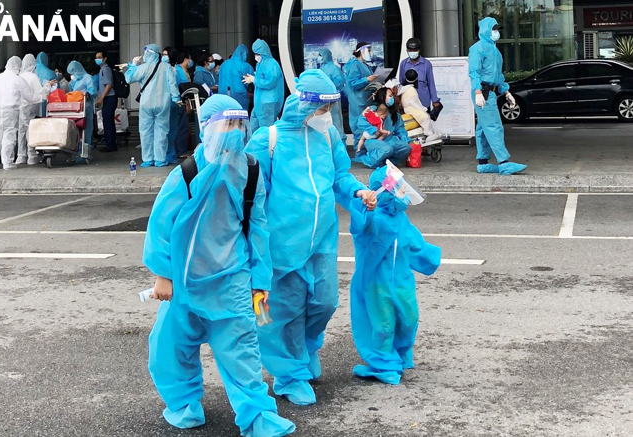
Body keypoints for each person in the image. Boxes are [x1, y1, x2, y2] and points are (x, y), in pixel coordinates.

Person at [144, 94, 296, 437]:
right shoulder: (186, 173)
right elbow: (160, 226)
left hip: (231, 282)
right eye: (227, 123)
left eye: (240, 124)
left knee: (241, 351)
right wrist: (162, 275)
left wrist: (260, 280)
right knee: (170, 348)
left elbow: (257, 228)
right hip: (185, 283)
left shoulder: (250, 171)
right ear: (206, 128)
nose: (235, 132)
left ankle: (258, 415)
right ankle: (183, 404)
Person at [245, 69, 377, 406]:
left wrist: (359, 191)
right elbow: (252, 197)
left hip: (321, 241)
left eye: (331, 109)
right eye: (322, 109)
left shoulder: (329, 135)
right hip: (281, 246)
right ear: (304, 105)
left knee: (324, 301)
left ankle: (304, 349)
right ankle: (289, 375)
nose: (327, 116)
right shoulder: (267, 140)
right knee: (283, 311)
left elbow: (340, 176)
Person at [348, 166, 441, 385]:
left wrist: (431, 257)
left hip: (402, 282)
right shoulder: (376, 219)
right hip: (376, 284)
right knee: (384, 325)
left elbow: (415, 244)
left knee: (409, 319)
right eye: (397, 189)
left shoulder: (401, 219)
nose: (402, 193)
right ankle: (383, 363)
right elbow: (362, 227)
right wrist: (368, 210)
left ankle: (399, 353)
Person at [469, 17, 527, 175]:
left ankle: (483, 162)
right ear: (486, 30)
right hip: (484, 92)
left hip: (491, 92)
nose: (496, 32)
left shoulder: (495, 51)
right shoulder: (478, 48)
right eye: (493, 29)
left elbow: (498, 75)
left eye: (497, 29)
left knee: (483, 128)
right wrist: (477, 91)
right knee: (494, 127)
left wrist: (506, 91)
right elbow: (474, 72)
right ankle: (504, 162)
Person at [125, 43, 181, 167]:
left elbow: (128, 79)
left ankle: (148, 159)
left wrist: (133, 64)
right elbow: (172, 84)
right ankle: (160, 159)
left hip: (146, 104)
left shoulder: (142, 68)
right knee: (162, 131)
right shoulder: (166, 67)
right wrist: (176, 98)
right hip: (163, 104)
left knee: (145, 131)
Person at [0, 56, 42, 170]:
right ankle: (8, 162)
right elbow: (31, 97)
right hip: (11, 111)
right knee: (9, 136)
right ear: (18, 67)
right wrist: (44, 93)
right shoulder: (18, 80)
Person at [354, 87, 411, 168]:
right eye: (390, 96)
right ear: (382, 97)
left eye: (392, 96)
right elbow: (361, 122)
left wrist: (406, 141)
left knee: (406, 148)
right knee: (387, 149)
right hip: (373, 140)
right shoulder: (373, 110)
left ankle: (389, 163)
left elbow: (400, 130)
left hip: (388, 139)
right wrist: (374, 130)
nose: (392, 98)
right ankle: (369, 160)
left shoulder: (394, 114)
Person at [18, 54, 54, 165]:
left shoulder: (20, 76)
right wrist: (48, 85)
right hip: (30, 107)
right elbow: (40, 93)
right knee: (31, 131)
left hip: (19, 107)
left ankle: (21, 156)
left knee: (21, 132)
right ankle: (32, 156)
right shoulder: (33, 77)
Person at [243, 39, 284, 131]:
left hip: (268, 103)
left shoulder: (271, 64)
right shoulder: (261, 64)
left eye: (257, 54)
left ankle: (267, 146)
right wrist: (254, 78)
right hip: (260, 103)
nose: (255, 56)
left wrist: (254, 80)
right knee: (253, 128)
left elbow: (270, 82)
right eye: (255, 54)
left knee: (267, 132)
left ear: (263, 52)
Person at [399, 69, 443, 145]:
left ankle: (431, 133)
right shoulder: (411, 90)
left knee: (425, 115)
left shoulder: (403, 88)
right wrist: (424, 109)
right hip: (411, 109)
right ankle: (428, 135)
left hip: (408, 109)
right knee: (425, 116)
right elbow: (416, 104)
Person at [344, 42, 378, 139]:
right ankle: (359, 152)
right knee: (360, 129)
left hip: (367, 101)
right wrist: (366, 80)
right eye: (368, 51)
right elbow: (352, 84)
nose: (370, 53)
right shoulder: (355, 65)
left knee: (369, 131)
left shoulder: (365, 65)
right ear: (361, 51)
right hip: (358, 103)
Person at [398, 38, 441, 111]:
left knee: (425, 120)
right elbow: (401, 83)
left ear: (419, 50)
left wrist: (435, 100)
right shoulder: (404, 64)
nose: (412, 52)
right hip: (408, 103)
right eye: (410, 50)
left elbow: (431, 83)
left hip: (423, 102)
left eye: (414, 50)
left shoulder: (426, 64)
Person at [67, 61, 98, 155]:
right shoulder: (75, 81)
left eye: (72, 73)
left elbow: (93, 91)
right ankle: (76, 151)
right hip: (75, 109)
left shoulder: (88, 78)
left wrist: (87, 94)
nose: (72, 75)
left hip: (86, 107)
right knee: (76, 131)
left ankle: (85, 152)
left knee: (86, 130)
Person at [318, 48, 347, 145]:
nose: (320, 58)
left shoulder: (334, 68)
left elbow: (340, 82)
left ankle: (340, 142)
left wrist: (328, 86)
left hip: (333, 98)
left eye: (321, 55)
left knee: (336, 120)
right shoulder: (321, 68)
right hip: (322, 99)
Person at [218, 44, 255, 111]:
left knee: (225, 117)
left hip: (223, 94)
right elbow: (253, 80)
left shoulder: (224, 64)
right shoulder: (246, 66)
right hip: (240, 96)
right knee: (240, 117)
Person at [95, 51, 118, 153]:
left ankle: (111, 144)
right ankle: (111, 143)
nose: (97, 59)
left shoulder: (106, 70)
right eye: (96, 57)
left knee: (108, 122)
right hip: (108, 98)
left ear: (105, 59)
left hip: (109, 98)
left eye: (99, 57)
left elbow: (108, 85)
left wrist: (101, 98)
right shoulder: (102, 70)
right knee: (107, 121)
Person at [162, 47, 181, 165]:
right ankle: (167, 155)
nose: (163, 56)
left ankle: (169, 154)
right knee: (165, 130)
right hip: (166, 102)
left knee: (171, 130)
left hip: (171, 103)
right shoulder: (163, 69)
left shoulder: (175, 70)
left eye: (166, 54)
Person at [174, 52, 193, 158]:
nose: (190, 61)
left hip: (182, 102)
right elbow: (183, 89)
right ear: (185, 59)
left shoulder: (182, 71)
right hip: (181, 102)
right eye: (189, 59)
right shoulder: (179, 71)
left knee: (181, 127)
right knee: (181, 127)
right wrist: (187, 103)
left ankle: (180, 150)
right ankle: (181, 151)